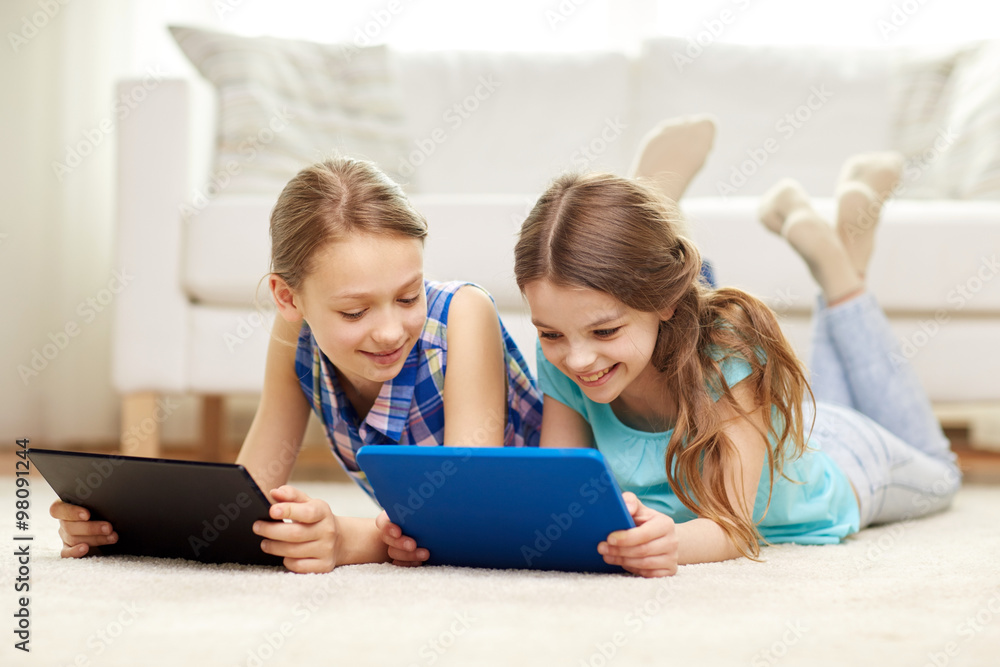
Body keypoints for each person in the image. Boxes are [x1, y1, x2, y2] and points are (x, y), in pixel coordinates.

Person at [50, 156, 544, 573]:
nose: (391, 330)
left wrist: (350, 540)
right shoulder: (295, 336)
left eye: (408, 295)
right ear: (288, 298)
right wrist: (120, 527)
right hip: (418, 529)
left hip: (543, 522)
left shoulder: (463, 314)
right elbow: (249, 498)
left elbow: (467, 515)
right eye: (355, 311)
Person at [502, 147, 962, 578]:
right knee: (814, 409)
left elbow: (733, 528)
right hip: (783, 432)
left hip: (844, 462)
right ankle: (843, 254)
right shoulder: (563, 362)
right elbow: (560, 500)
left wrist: (672, 542)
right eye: (550, 334)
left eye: (605, 331)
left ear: (664, 299)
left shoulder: (726, 351)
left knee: (943, 474)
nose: (578, 358)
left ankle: (840, 274)